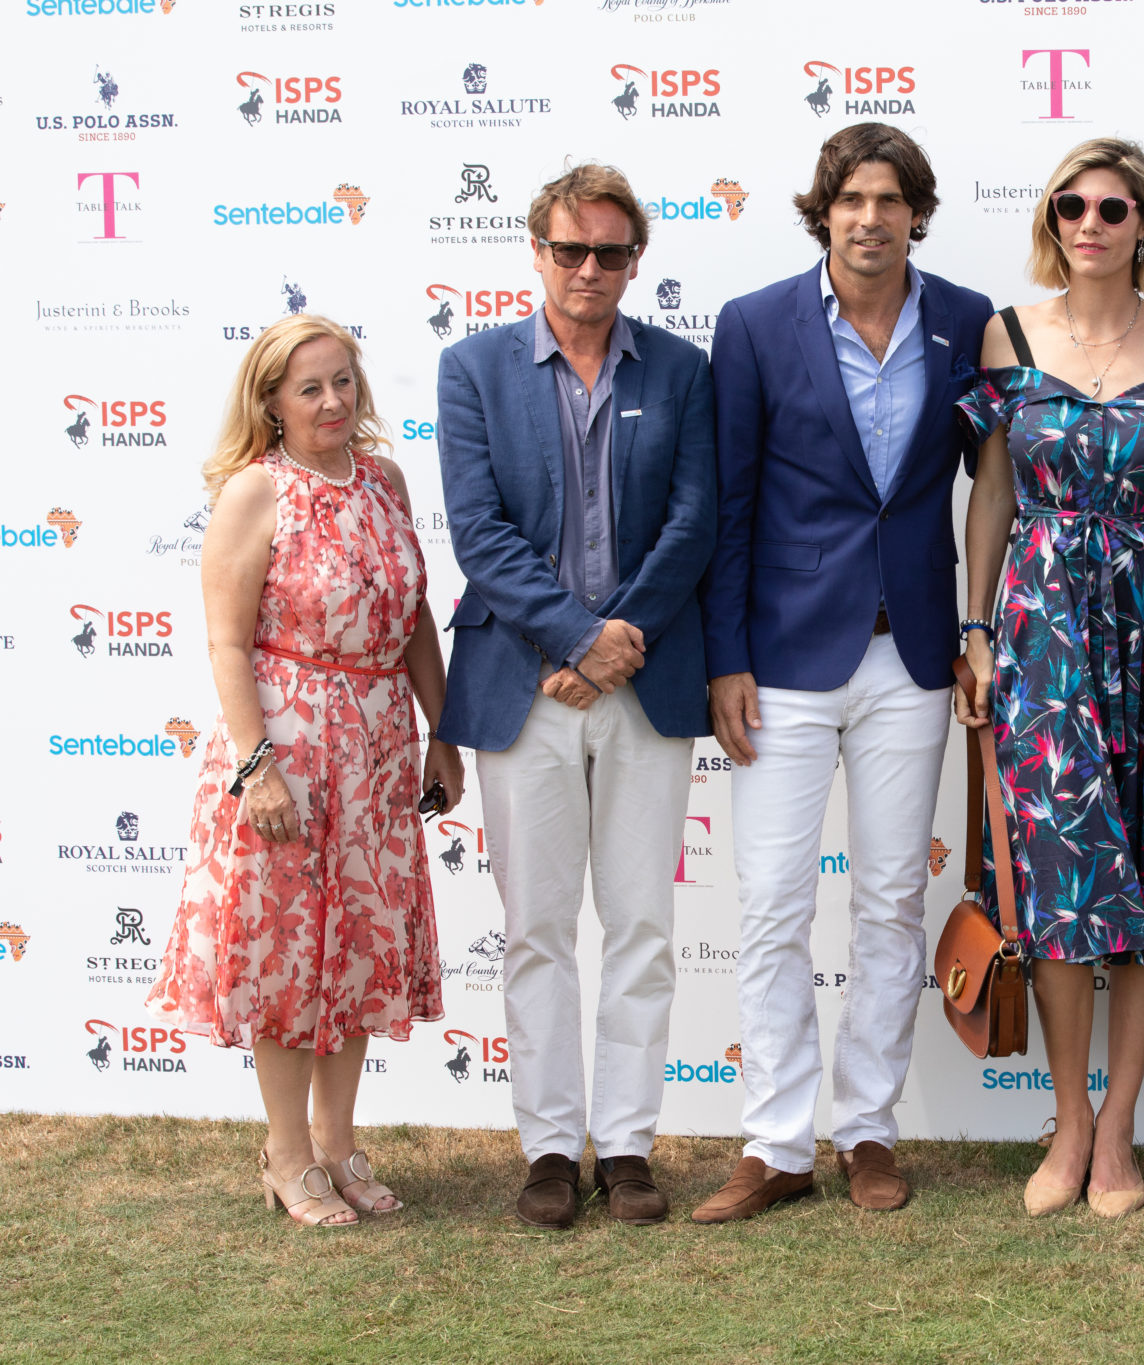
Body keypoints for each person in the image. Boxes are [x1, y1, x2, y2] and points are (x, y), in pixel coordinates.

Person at [695, 122, 991, 1222]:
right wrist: (725, 657)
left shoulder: (966, 319)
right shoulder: (755, 323)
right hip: (782, 658)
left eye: (890, 199)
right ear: (823, 211)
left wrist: (980, 630)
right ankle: (776, 1143)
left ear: (917, 212)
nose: (870, 218)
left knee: (890, 903)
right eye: (851, 199)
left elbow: (999, 483)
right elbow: (728, 504)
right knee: (774, 903)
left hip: (910, 655)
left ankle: (868, 1128)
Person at [435, 163, 717, 1229]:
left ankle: (629, 1147)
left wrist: (613, 645)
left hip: (644, 680)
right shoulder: (473, 368)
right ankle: (550, 1148)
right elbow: (479, 531)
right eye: (569, 249)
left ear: (635, 260)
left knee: (642, 921)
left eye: (608, 251)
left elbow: (693, 520)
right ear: (537, 251)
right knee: (537, 930)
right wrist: (573, 639)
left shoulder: (682, 369)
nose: (587, 268)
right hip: (526, 684)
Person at [955, 138, 1144, 1220]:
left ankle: (1118, 1127)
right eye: (1071, 205)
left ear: (1141, 224)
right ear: (1051, 220)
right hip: (1039, 640)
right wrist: (979, 630)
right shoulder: (1007, 336)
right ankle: (1067, 1123)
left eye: (1113, 208)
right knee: (1059, 877)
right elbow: (990, 493)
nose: (1090, 223)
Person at [148, 314, 461, 1227]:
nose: (332, 401)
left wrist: (443, 734)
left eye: (343, 381)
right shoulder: (256, 491)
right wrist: (258, 769)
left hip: (376, 747)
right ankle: (286, 1155)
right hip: (285, 748)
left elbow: (413, 619)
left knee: (358, 946)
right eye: (309, 388)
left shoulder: (385, 480)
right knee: (288, 957)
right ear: (272, 403)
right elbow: (226, 641)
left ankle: (337, 1143)